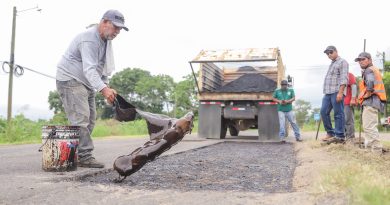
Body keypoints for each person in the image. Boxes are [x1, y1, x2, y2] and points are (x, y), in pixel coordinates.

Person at [56, 10, 128, 168]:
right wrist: (103, 89)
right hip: (70, 80)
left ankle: (74, 153)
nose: (117, 32)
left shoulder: (105, 41)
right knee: (81, 118)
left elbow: (100, 67)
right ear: (104, 22)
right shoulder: (89, 39)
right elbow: (89, 69)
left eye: (120, 29)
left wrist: (106, 86)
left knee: (90, 119)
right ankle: (84, 156)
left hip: (86, 83)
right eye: (115, 27)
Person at [355, 52, 387, 154]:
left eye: (363, 59)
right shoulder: (373, 69)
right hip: (373, 101)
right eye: (359, 60)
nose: (360, 61)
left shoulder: (369, 70)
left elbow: (370, 82)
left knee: (369, 127)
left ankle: (376, 151)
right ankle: (369, 150)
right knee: (368, 126)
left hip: (371, 101)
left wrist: (368, 93)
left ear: (369, 59)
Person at [321, 46, 349, 144]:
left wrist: (340, 92)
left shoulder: (342, 62)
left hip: (337, 91)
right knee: (323, 111)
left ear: (336, 51)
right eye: (327, 53)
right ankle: (330, 133)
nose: (329, 55)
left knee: (338, 114)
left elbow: (344, 78)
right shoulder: (332, 64)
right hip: (328, 92)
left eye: (331, 52)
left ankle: (340, 136)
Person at [344, 72, 357, 139]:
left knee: (348, 120)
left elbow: (354, 86)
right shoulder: (336, 76)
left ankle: (350, 138)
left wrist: (353, 99)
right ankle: (342, 137)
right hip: (339, 102)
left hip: (347, 101)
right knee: (341, 120)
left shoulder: (349, 75)